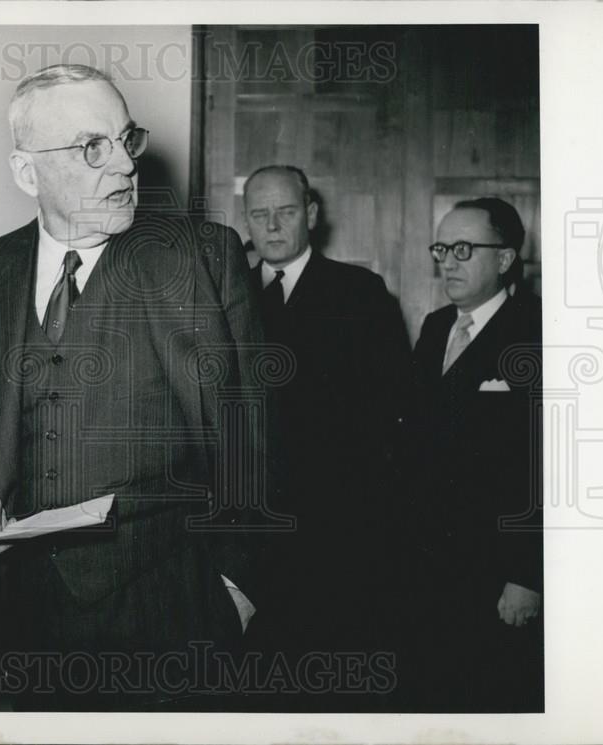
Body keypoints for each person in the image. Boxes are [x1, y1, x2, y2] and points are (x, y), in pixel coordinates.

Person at [0, 64, 275, 711]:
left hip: (174, 608)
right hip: (21, 615)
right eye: (93, 147)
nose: (123, 166)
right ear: (27, 172)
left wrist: (238, 585)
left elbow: (252, 434)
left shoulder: (204, 257)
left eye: (126, 139)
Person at [241, 165, 411, 709]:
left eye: (285, 212)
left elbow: (391, 412)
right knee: (258, 678)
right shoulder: (231, 294)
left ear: (310, 214)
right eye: (259, 214)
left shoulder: (358, 292)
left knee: (330, 675)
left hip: (337, 526)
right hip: (251, 527)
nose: (271, 226)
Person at [405, 197, 543, 711]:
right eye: (442, 248)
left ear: (505, 259)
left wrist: (528, 576)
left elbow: (545, 466)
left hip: (496, 574)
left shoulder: (539, 331)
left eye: (464, 248)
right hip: (428, 564)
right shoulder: (437, 326)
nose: (448, 261)